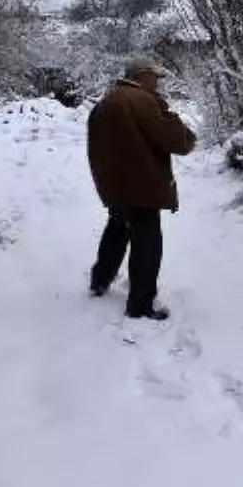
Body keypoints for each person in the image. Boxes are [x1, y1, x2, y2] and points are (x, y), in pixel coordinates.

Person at [87, 58, 197, 320]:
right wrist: (171, 116)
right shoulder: (143, 101)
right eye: (155, 76)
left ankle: (99, 281)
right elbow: (178, 142)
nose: (158, 82)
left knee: (117, 229)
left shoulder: (105, 102)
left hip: (115, 185)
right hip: (142, 186)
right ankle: (140, 304)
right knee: (147, 243)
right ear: (142, 75)